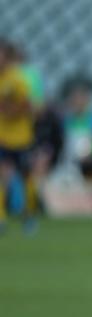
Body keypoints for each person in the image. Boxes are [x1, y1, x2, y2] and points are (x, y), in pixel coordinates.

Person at [0, 38, 35, 235]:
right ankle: (1, 218)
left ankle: (28, 215)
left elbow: (28, 106)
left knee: (24, 177)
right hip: (1, 137)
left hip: (21, 138)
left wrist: (9, 111)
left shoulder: (16, 79)